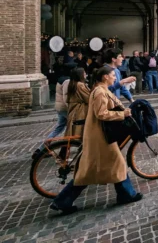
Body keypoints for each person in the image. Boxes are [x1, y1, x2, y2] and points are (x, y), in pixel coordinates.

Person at [49, 66, 142, 215]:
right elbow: (101, 113)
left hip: (100, 136)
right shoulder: (99, 92)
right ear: (105, 77)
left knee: (94, 169)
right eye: (112, 75)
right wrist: (122, 115)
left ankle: (62, 201)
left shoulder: (102, 90)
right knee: (114, 164)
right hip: (101, 137)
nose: (114, 77)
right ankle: (126, 194)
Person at [31, 74, 70, 159]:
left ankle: (41, 149)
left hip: (60, 108)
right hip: (64, 109)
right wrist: (71, 108)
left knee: (58, 129)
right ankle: (62, 154)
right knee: (71, 130)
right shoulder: (67, 81)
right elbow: (66, 97)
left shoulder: (61, 79)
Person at [64, 68, 90, 138]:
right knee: (81, 132)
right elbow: (88, 98)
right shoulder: (80, 85)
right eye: (84, 73)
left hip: (74, 111)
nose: (85, 74)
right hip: (79, 112)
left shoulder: (73, 84)